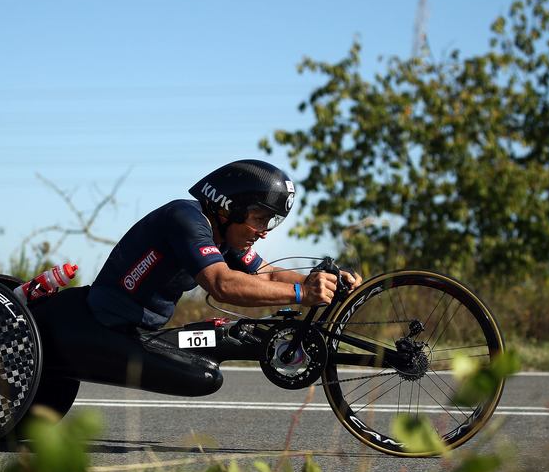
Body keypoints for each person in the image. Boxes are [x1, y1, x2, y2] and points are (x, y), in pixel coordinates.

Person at [26, 159, 362, 407]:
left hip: (141, 333)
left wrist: (324, 280)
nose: (265, 230)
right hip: (99, 325)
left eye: (271, 221)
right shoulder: (185, 219)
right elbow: (222, 284)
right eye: (260, 218)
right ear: (229, 208)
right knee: (204, 377)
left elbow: (267, 275)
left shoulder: (227, 238)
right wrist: (303, 293)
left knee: (233, 337)